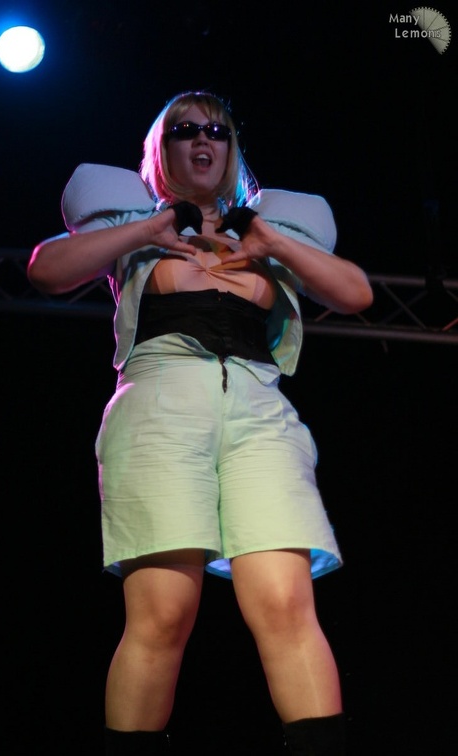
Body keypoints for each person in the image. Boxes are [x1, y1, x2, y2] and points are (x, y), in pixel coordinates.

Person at [27, 90, 373, 755]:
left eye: (216, 129)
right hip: (160, 404)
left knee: (285, 605)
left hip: (260, 409)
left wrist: (271, 242)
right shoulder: (135, 223)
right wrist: (149, 232)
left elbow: (356, 293)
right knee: (163, 614)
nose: (202, 139)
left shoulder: (267, 234)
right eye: (184, 130)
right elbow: (46, 270)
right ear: (164, 148)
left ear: (231, 146)